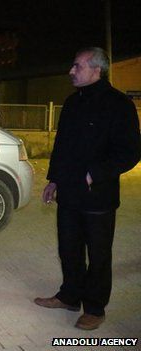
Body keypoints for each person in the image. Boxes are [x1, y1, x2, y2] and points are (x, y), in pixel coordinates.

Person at [34, 47, 140, 330]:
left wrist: (96, 174)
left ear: (96, 69)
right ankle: (69, 296)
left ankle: (95, 308)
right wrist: (53, 179)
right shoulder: (72, 103)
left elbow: (130, 152)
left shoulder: (119, 105)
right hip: (68, 194)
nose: (71, 71)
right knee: (68, 249)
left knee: (98, 254)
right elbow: (61, 147)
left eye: (76, 66)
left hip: (98, 197)